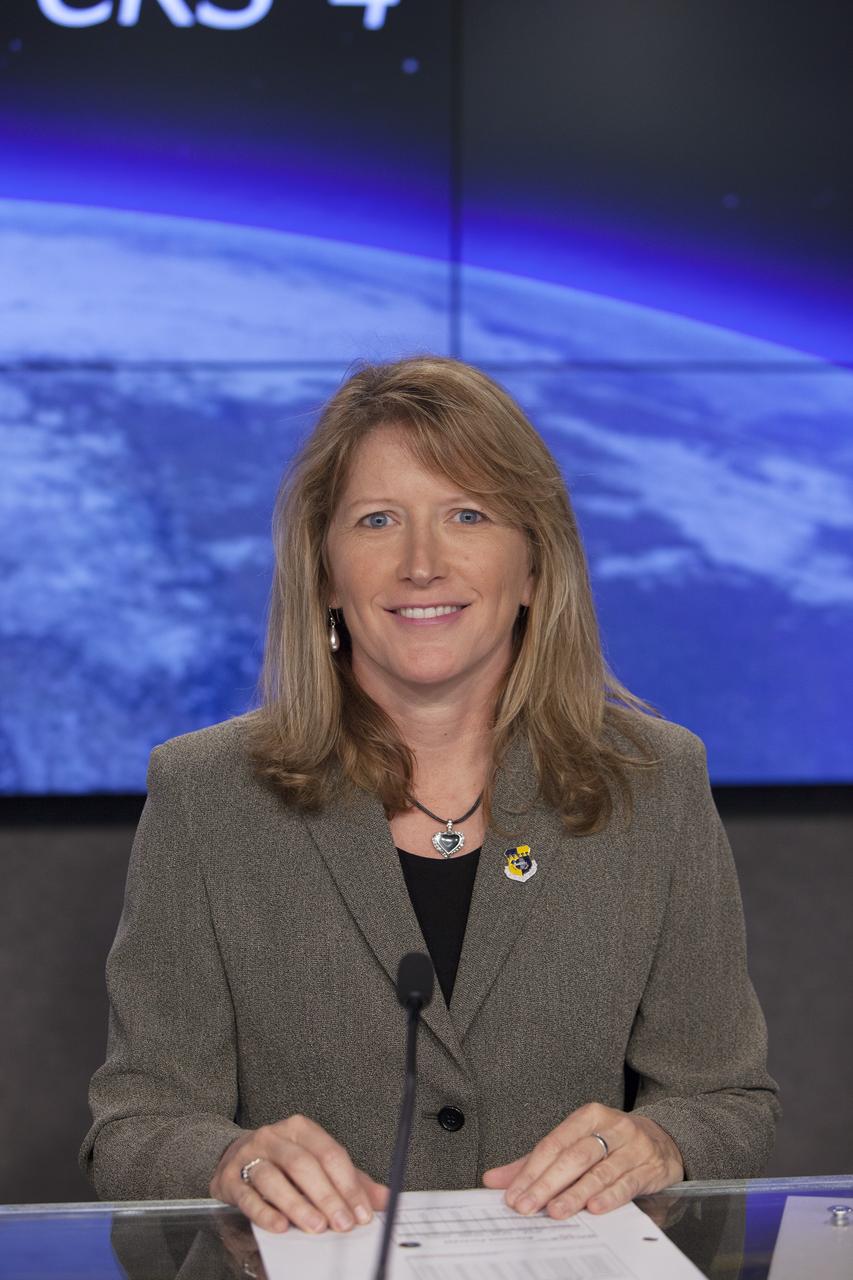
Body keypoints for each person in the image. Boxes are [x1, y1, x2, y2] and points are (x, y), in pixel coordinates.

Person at [80, 355, 780, 1235]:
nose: (421, 564)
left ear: (533, 567)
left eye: (467, 515)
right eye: (377, 520)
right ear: (326, 570)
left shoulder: (653, 782)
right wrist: (229, 1160)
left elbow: (727, 1099)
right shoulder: (207, 795)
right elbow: (137, 1126)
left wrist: (664, 1142)